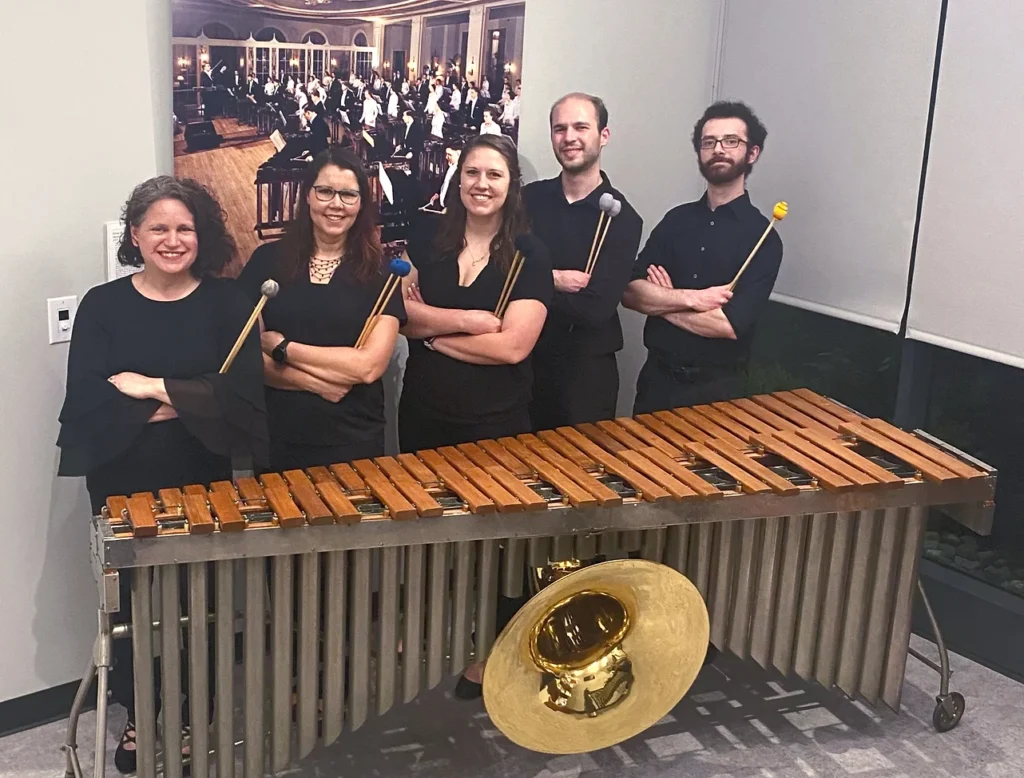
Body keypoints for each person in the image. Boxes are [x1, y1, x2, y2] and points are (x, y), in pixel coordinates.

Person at [56, 177, 267, 774]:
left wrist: (148, 387)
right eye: (159, 228)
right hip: (121, 476)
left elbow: (240, 397)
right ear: (135, 235)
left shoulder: (228, 303)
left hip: (201, 474)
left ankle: (194, 711)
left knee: (202, 600)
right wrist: (192, 395)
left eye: (184, 229)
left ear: (201, 235)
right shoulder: (102, 305)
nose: (172, 240)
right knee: (132, 606)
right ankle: (139, 710)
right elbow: (88, 401)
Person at [238, 147, 405, 469]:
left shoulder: (381, 273)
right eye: (325, 191)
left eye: (348, 195)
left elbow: (368, 367)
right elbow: (246, 358)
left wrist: (282, 347)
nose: (336, 204)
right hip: (276, 433)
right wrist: (317, 383)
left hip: (354, 438)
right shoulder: (266, 261)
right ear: (308, 196)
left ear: (361, 203)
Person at [623, 100, 783, 413]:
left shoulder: (764, 238)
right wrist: (693, 299)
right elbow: (630, 292)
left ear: (752, 153)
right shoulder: (675, 221)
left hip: (717, 392)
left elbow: (728, 325)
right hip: (656, 382)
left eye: (731, 141)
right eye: (708, 142)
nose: (718, 149)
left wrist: (663, 303)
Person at [398, 133, 552, 453]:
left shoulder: (529, 254)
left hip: (497, 425)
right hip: (421, 415)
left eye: (494, 174)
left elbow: (512, 347)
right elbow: (398, 311)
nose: (481, 184)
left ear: (511, 185)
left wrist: (432, 336)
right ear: (459, 179)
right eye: (472, 172)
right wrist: (468, 321)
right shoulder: (427, 235)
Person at [524, 93, 643, 430]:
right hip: (521, 363)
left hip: (584, 377)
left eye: (580, 127)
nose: (569, 137)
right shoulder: (528, 199)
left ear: (603, 135)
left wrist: (528, 285)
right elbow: (500, 274)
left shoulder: (623, 218)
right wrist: (554, 279)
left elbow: (595, 309)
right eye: (559, 129)